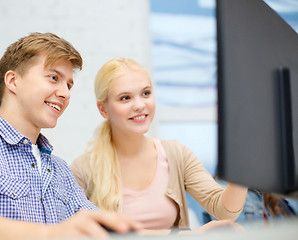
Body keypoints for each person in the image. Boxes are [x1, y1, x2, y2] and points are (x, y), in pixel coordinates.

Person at [0, 33, 141, 240]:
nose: (65, 93)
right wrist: (56, 234)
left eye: (68, 85)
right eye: (54, 78)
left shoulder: (59, 169)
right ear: (13, 81)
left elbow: (96, 225)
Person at [71, 57, 248, 233]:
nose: (140, 105)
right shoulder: (82, 170)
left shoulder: (177, 154)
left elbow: (225, 211)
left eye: (146, 93)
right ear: (103, 109)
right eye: (125, 98)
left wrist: (244, 160)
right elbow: (83, 233)